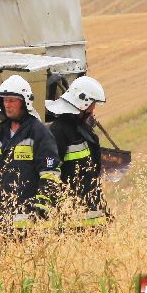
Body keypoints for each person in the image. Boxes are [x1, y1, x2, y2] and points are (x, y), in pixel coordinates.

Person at [0, 75, 60, 231]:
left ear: (25, 102)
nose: (7, 105)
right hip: (0, 223)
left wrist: (41, 207)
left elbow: (50, 174)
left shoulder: (39, 132)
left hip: (29, 222)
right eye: (5, 100)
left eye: (12, 100)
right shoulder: (1, 133)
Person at [46, 76, 109, 227]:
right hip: (73, 223)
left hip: (93, 219)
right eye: (92, 105)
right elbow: (50, 176)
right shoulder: (58, 132)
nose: (93, 109)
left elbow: (91, 177)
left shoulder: (84, 130)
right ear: (83, 103)